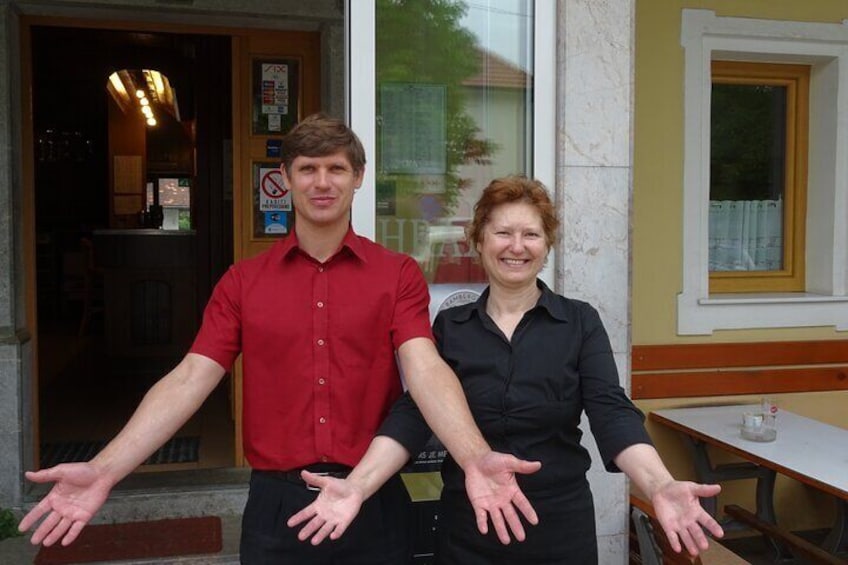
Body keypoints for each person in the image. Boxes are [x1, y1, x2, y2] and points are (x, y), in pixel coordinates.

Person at [17, 115, 542, 564]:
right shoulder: (243, 281)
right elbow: (190, 378)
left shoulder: (395, 274)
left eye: (336, 168)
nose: (322, 181)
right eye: (308, 169)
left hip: (373, 494)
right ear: (284, 178)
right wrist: (106, 467)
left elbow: (424, 368)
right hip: (276, 506)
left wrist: (474, 456)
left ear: (358, 177)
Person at [288, 176, 725, 564]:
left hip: (559, 526)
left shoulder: (579, 322)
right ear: (478, 241)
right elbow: (415, 412)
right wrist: (359, 486)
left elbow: (610, 411)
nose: (517, 246)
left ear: (547, 245)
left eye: (531, 234)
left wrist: (660, 484)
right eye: (503, 232)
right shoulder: (452, 327)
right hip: (469, 523)